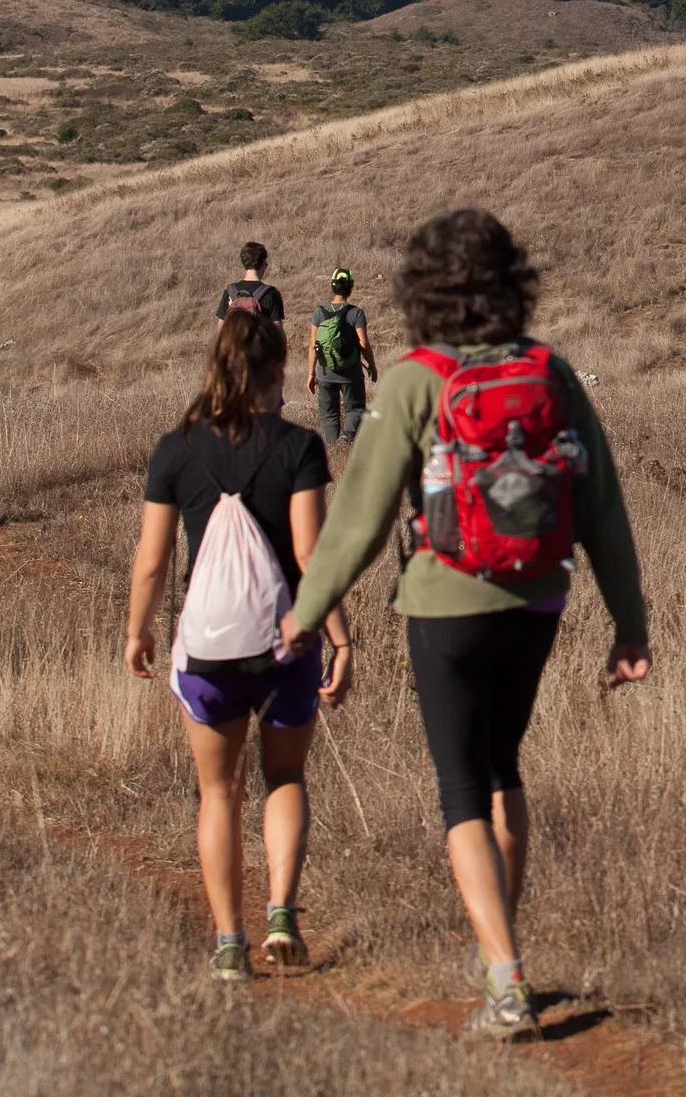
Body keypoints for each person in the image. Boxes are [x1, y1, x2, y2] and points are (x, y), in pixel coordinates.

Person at [285, 209, 649, 1043]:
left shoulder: (417, 378)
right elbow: (603, 508)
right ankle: (503, 959)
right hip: (538, 596)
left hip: (445, 599)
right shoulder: (549, 371)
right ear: (510, 278)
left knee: (460, 788)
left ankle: (506, 977)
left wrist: (307, 616)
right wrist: (630, 626)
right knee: (502, 769)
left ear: (424, 290)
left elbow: (360, 521)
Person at [126, 313, 351, 982]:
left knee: (218, 793)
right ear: (279, 370)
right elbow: (312, 555)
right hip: (287, 645)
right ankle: (282, 913)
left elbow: (151, 561)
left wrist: (137, 631)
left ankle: (230, 942)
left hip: (208, 647)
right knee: (285, 777)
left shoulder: (176, 449)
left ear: (215, 365)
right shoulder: (301, 446)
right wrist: (339, 637)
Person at [306, 268, 375, 445]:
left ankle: (332, 448)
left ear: (332, 286)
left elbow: (313, 346)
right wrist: (372, 366)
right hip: (350, 373)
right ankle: (345, 440)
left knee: (329, 415)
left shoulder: (319, 313)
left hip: (324, 372)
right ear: (350, 287)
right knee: (356, 409)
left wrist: (311, 374)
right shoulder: (356, 313)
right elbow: (364, 344)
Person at [218, 241, 286, 341]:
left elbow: (220, 330)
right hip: (259, 354)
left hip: (235, 354)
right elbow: (278, 335)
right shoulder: (271, 294)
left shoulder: (229, 292)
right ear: (263, 264)